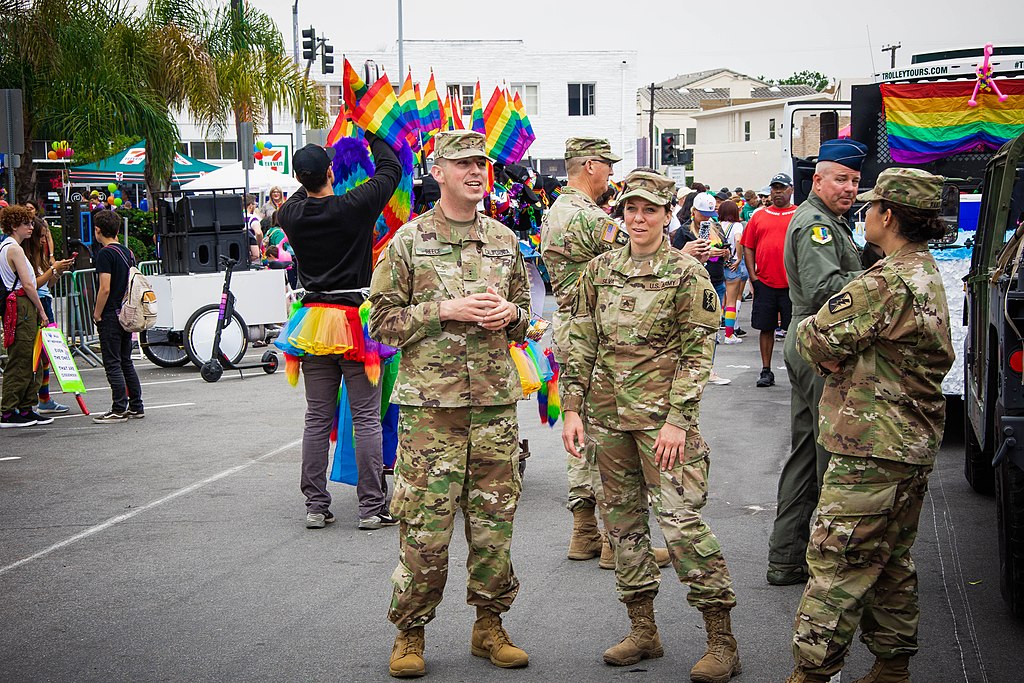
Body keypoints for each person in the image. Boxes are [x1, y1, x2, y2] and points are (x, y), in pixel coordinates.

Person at [561, 170, 740, 683]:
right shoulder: (599, 271)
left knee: (682, 527)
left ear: (668, 215)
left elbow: (696, 352)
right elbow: (582, 343)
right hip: (606, 421)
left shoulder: (687, 274)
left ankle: (721, 641)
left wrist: (679, 421)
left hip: (662, 426)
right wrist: (572, 408)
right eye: (631, 209)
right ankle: (644, 630)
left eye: (650, 210)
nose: (638, 218)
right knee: (623, 528)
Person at [369, 130, 532, 679]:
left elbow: (526, 317)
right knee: (424, 527)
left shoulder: (506, 242)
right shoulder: (409, 242)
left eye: (481, 163)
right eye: (462, 163)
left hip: (493, 408)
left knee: (494, 526)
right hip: (430, 415)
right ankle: (409, 633)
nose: (475, 171)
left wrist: (508, 316)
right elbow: (382, 323)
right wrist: (446, 309)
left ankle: (490, 626)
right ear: (437, 171)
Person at [785, 168, 954, 683]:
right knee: (889, 558)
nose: (865, 211)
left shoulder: (885, 281)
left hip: (871, 444)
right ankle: (892, 665)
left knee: (836, 559)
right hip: (906, 442)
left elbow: (814, 338)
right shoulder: (922, 269)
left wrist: (840, 355)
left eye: (873, 205)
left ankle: (811, 672)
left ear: (890, 216)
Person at [275, 134, 401, 530]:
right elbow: (390, 170)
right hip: (353, 321)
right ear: (331, 172)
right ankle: (370, 507)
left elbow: (303, 191)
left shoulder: (290, 215)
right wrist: (373, 134)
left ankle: (315, 505)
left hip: (312, 321)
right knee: (365, 417)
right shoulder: (353, 206)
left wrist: (311, 173)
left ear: (300, 178)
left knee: (316, 417)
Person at [766, 139, 866, 586]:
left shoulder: (828, 220)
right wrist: (876, 277)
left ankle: (787, 559)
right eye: (841, 179)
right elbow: (826, 287)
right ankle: (829, 564)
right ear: (818, 180)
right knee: (831, 455)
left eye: (856, 181)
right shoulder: (816, 226)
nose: (849, 188)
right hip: (819, 342)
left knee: (807, 454)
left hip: (812, 342)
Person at [540, 137, 628, 563]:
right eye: (607, 166)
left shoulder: (556, 210)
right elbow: (636, 258)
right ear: (590, 166)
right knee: (607, 432)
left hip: (567, 327)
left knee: (578, 428)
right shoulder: (591, 217)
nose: (611, 173)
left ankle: (584, 531)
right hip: (597, 330)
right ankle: (616, 541)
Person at [741, 172, 796, 387]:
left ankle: (797, 371)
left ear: (791, 189)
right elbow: (748, 246)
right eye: (774, 188)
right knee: (766, 328)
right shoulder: (758, 215)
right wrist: (753, 278)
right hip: (765, 283)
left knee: (795, 330)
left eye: (782, 188)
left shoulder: (799, 214)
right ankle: (766, 370)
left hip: (792, 285)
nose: (778, 192)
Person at [91, 210, 144, 423]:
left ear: (97, 230)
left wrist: (96, 313)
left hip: (111, 313)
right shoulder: (127, 252)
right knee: (125, 361)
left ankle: (118, 408)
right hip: (126, 313)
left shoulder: (105, 254)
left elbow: (104, 288)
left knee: (112, 362)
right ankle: (136, 405)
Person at [673, 193, 731, 386]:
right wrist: (701, 253)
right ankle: (690, 368)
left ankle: (709, 368)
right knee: (692, 327)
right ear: (693, 211)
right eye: (703, 214)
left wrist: (722, 253)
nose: (707, 218)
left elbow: (723, 253)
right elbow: (677, 259)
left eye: (710, 214)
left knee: (712, 327)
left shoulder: (716, 228)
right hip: (694, 282)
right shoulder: (684, 232)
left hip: (716, 280)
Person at [1, 206, 50, 428]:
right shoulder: (14, 249)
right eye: (26, 224)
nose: (31, 227)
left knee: (32, 356)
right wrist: (41, 310)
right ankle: (10, 410)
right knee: (23, 358)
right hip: (21, 305)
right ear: (14, 226)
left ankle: (25, 406)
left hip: (19, 303)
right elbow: (28, 284)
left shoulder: (8, 247)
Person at [26, 217, 74, 414]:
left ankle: (44, 397)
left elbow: (47, 284)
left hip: (45, 301)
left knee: (46, 355)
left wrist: (57, 272)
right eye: (43, 236)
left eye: (47, 236)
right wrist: (53, 269)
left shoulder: (40, 257)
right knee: (36, 354)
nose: (45, 240)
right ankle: (32, 399)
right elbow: (33, 284)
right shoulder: (26, 256)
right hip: (37, 304)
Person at [718, 199, 748, 344]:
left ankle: (715, 333)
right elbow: (738, 239)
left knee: (718, 300)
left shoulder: (716, 225)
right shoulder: (737, 225)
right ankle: (729, 334)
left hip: (717, 265)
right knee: (731, 301)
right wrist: (739, 257)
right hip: (731, 265)